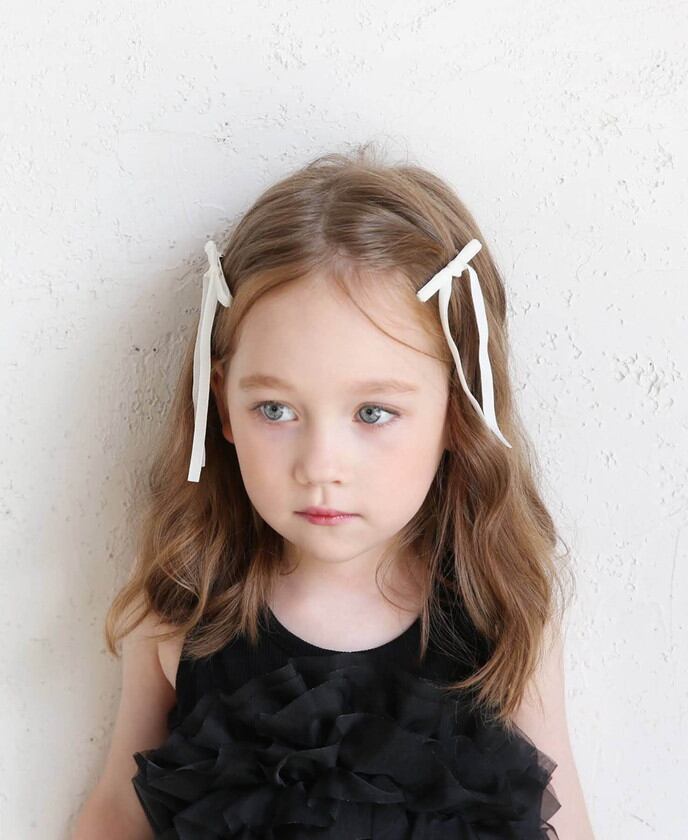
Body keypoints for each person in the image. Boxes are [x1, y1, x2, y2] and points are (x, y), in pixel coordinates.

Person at [71, 143, 595, 839]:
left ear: (458, 410)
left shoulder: (503, 608)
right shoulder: (180, 600)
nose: (321, 466)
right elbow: (118, 809)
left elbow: (563, 823)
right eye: (276, 410)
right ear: (222, 403)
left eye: (373, 413)